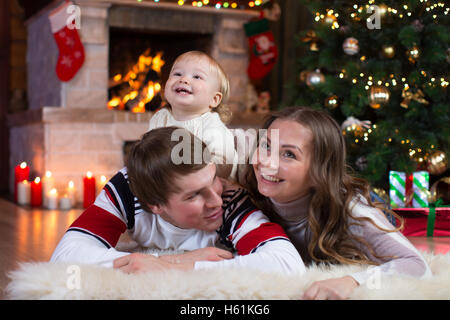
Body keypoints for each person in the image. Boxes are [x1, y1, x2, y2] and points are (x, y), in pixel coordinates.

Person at [50, 127, 305, 276]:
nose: (215, 200)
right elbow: (66, 255)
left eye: (213, 178)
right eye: (193, 195)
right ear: (155, 205)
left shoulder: (230, 199)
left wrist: (184, 264)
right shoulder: (127, 189)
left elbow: (287, 263)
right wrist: (168, 262)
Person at [242, 106, 432, 299]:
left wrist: (353, 280)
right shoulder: (246, 191)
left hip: (354, 206)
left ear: (318, 172)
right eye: (266, 146)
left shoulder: (352, 211)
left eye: (289, 154)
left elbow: (418, 266)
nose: (267, 162)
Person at [148, 50, 237, 180]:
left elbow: (222, 166)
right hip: (169, 183)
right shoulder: (160, 118)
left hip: (212, 186)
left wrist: (187, 176)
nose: (183, 79)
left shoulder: (212, 126)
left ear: (214, 99)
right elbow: (149, 151)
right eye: (177, 74)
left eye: (197, 77)